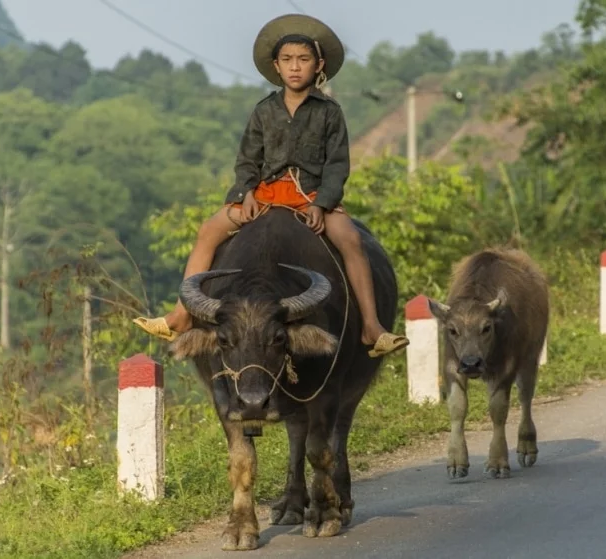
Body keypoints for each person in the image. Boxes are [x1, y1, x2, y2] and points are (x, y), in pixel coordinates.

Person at [133, 14, 409, 359]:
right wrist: (244, 194)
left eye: (304, 60)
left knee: (351, 240)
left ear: (318, 65)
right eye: (288, 60)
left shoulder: (329, 112)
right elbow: (247, 160)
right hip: (264, 195)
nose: (295, 68)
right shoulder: (263, 111)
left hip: (311, 196)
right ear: (276, 67)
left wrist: (322, 204)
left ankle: (372, 326)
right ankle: (181, 313)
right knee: (209, 230)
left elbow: (337, 165)